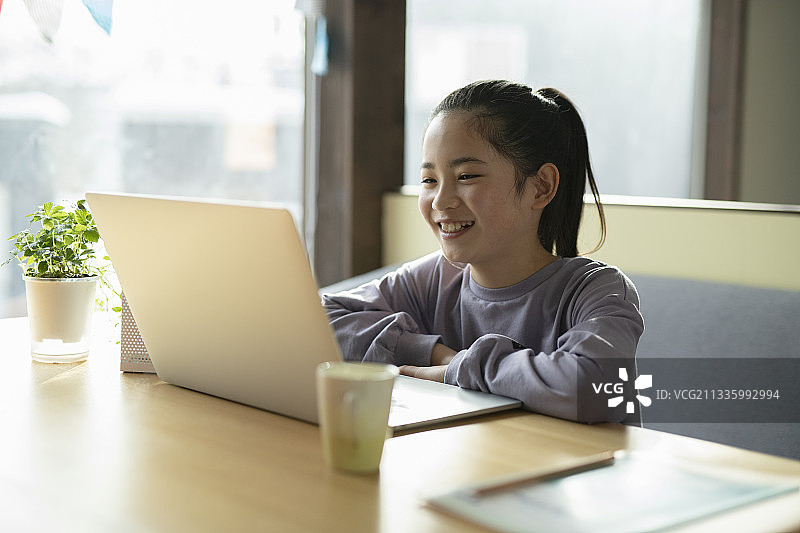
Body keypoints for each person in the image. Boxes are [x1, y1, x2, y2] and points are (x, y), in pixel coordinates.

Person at [322, 80, 644, 423]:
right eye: (430, 180)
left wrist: (460, 367)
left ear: (541, 187)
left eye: (467, 175)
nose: (441, 201)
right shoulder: (433, 278)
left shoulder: (596, 290)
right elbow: (320, 318)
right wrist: (432, 354)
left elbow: (597, 389)